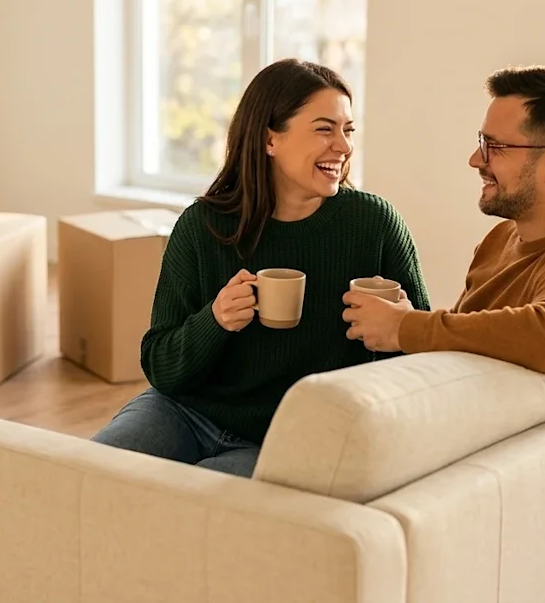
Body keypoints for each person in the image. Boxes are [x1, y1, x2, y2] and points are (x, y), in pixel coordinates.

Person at [91, 58, 431, 477]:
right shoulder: (202, 226)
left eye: (348, 130)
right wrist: (215, 321)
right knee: (85, 475)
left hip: (285, 437)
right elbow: (160, 366)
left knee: (202, 507)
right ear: (271, 139)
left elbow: (424, 367)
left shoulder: (374, 225)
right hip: (185, 413)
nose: (343, 147)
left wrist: (401, 327)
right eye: (324, 129)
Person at [342, 63, 545, 375]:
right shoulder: (501, 238)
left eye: (495, 147)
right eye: (482, 142)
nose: (475, 159)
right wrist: (407, 320)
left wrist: (406, 327)